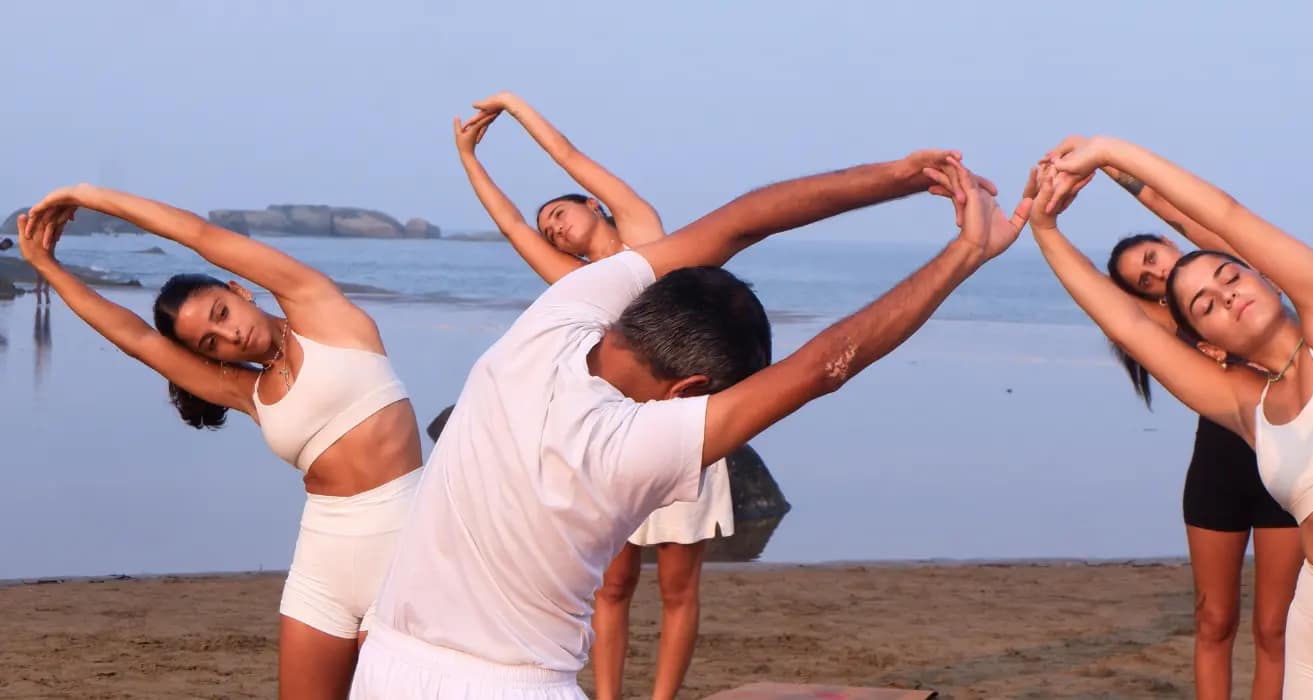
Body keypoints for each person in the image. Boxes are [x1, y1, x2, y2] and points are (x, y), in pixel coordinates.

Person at [351, 152, 1029, 699]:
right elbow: (826, 366)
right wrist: (965, 253)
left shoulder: (547, 326)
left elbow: (737, 224)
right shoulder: (632, 448)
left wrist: (902, 176)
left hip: (383, 663)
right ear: (691, 390)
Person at [1030, 135, 1313, 698]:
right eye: (1204, 306)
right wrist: (1045, 231)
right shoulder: (1247, 411)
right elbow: (1127, 326)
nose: (1225, 296)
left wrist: (1109, 152)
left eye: (1231, 277)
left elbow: (1225, 213)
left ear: (1266, 277)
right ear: (1208, 346)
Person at [18, 188, 427, 700]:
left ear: (240, 290)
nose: (229, 336)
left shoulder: (321, 310)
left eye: (221, 312)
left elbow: (199, 235)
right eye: (210, 342)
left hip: (404, 548)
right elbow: (136, 339)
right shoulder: (249, 392)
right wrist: (45, 265)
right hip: (322, 567)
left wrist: (88, 195)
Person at [453, 90, 732, 700]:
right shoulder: (580, 286)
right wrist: (469, 158)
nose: (552, 227)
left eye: (559, 213)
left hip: (684, 420)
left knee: (679, 585)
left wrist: (511, 105)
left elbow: (568, 153)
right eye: (549, 229)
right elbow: (509, 226)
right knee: (612, 583)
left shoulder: (645, 235)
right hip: (615, 430)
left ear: (592, 205)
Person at [1086, 152, 1303, 699]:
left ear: (1169, 243)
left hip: (1290, 470)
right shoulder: (1167, 323)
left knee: (1276, 627)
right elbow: (1102, 301)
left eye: (1154, 257)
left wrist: (1121, 173)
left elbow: (1193, 215)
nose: (1157, 273)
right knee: (1214, 620)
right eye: (1146, 278)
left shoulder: (1237, 275)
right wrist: (1046, 217)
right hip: (1219, 475)